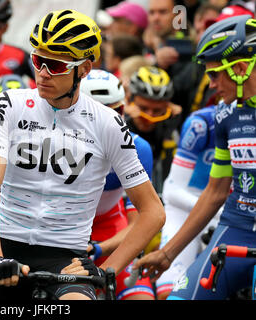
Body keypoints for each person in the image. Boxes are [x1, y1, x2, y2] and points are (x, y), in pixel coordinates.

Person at [0, 9, 165, 300]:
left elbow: (153, 213)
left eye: (56, 65)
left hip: (65, 255)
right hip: (5, 244)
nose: (43, 73)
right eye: (38, 61)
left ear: (84, 69)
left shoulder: (107, 123)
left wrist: (106, 270)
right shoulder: (9, 104)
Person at [134, 15, 256, 300]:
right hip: (236, 227)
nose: (210, 84)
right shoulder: (226, 115)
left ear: (239, 68)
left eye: (214, 74)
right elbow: (215, 192)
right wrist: (167, 253)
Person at [80, 69, 156, 300]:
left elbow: (141, 221)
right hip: (63, 234)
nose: (113, 121)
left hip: (110, 230)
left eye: (117, 111)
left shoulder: (138, 148)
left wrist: (100, 248)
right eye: (101, 113)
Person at [154, 102, 222, 300]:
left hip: (229, 212)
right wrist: (219, 210)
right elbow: (172, 191)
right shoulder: (201, 125)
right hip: (185, 210)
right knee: (170, 292)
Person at [124, 65, 182, 192]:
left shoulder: (173, 123)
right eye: (143, 108)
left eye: (157, 110)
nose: (149, 116)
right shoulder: (119, 121)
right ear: (130, 100)